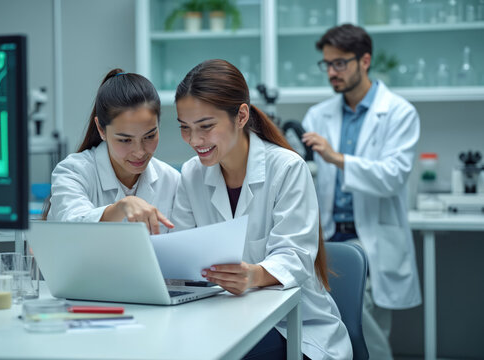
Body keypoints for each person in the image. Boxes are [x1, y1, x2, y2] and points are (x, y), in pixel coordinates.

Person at [171, 59, 352, 360]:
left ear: (241, 115)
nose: (195, 141)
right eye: (185, 129)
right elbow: (181, 253)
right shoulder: (192, 174)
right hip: (220, 317)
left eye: (206, 127)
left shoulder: (287, 168)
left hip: (293, 326)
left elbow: (294, 257)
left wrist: (253, 275)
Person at [301, 24, 422, 359]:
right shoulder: (319, 114)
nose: (331, 72)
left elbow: (392, 177)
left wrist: (335, 157)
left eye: (340, 63)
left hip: (370, 241)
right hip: (326, 239)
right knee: (325, 327)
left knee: (362, 327)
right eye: (326, 64)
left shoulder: (398, 113)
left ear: (364, 60)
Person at [46, 69, 179, 234]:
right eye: (125, 140)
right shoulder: (73, 172)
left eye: (149, 136)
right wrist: (122, 206)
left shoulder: (172, 180)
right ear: (101, 129)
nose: (139, 152)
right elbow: (74, 225)